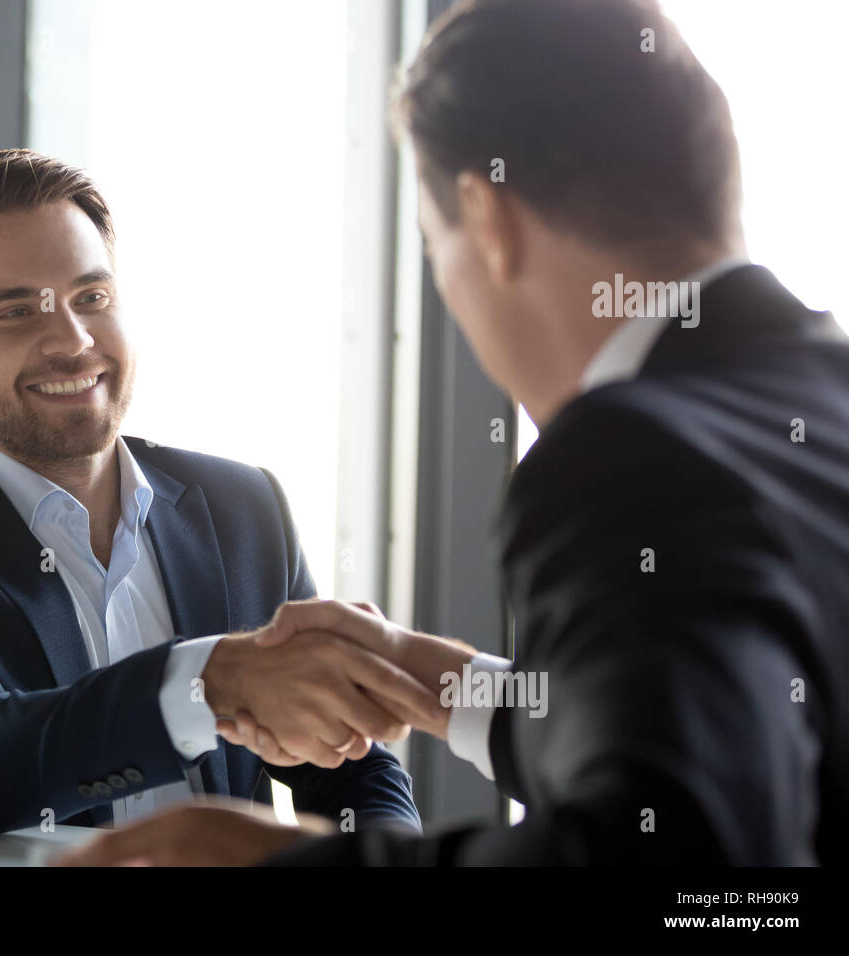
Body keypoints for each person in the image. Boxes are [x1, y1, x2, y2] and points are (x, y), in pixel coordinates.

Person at [57, 0, 848, 865]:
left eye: (436, 247)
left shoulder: (629, 455)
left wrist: (273, 865)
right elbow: (730, 749)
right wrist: (445, 686)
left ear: (490, 221)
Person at [0, 149, 424, 835]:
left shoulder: (244, 510)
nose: (71, 341)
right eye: (14, 313)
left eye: (91, 299)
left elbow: (351, 768)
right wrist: (206, 682)